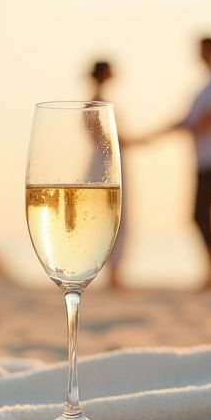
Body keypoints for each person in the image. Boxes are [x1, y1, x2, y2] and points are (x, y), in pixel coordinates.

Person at [151, 36, 211, 291]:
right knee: (200, 215)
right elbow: (187, 120)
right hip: (202, 161)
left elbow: (204, 123)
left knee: (202, 215)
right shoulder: (204, 87)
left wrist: (176, 129)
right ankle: (210, 272)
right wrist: (160, 132)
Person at [88, 60, 129, 289]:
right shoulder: (96, 102)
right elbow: (101, 137)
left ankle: (114, 274)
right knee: (111, 215)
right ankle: (110, 275)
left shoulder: (97, 99)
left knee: (114, 216)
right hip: (107, 163)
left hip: (108, 160)